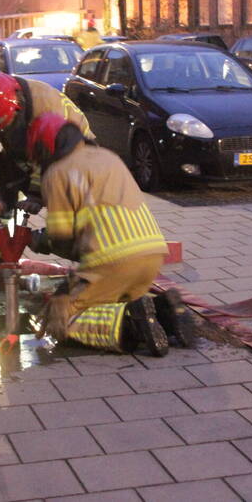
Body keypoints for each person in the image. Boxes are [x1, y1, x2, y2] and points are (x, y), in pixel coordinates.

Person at [26, 113, 195, 355]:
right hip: (152, 256)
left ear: (45, 149)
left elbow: (61, 237)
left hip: (111, 261)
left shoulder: (57, 173)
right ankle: (164, 311)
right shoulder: (108, 157)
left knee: (59, 317)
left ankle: (130, 324)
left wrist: (37, 240)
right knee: (112, 299)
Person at [0, 70, 93, 286]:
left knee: (70, 219)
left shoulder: (47, 109)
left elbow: (49, 158)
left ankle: (96, 267)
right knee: (4, 190)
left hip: (72, 159)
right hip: (26, 155)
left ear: (17, 106)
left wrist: (36, 194)